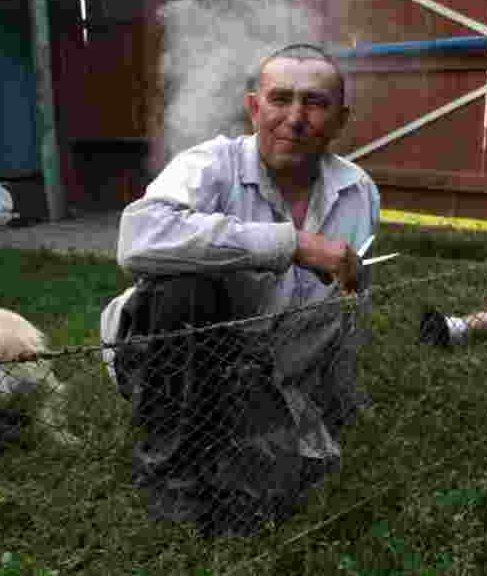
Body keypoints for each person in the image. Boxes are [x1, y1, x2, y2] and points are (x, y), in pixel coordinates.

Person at [100, 44, 381, 536]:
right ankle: (171, 474)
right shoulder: (210, 165)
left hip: (268, 375)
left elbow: (350, 307)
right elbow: (138, 238)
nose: (295, 118)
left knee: (274, 495)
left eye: (315, 103)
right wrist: (289, 244)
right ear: (254, 108)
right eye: (280, 99)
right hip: (169, 356)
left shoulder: (358, 191)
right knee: (185, 286)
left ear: (341, 119)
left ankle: (241, 441)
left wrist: (342, 403)